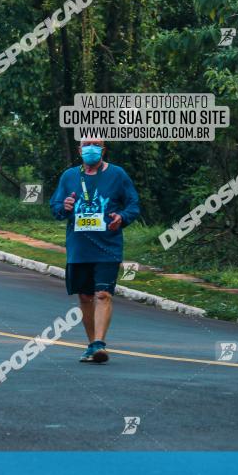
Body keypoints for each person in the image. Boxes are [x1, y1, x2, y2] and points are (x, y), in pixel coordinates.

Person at [50, 139, 140, 363]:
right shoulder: (69, 176)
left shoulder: (118, 175)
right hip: (79, 248)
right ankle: (92, 345)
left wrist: (123, 217)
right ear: (79, 150)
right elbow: (56, 206)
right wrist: (65, 207)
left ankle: (100, 343)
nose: (91, 148)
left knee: (103, 294)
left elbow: (133, 204)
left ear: (103, 150)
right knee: (85, 296)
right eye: (86, 144)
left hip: (108, 246)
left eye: (96, 144)